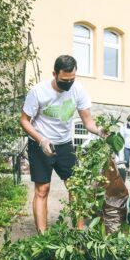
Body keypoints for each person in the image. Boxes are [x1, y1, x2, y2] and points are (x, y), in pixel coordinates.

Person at [20, 55, 104, 233]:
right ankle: (43, 235)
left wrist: (99, 131)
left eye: (72, 79)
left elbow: (88, 121)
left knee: (75, 187)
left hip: (65, 144)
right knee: (43, 189)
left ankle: (79, 231)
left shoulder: (78, 91)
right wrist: (41, 140)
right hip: (40, 144)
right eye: (65, 80)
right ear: (54, 74)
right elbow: (25, 121)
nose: (69, 83)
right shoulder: (38, 91)